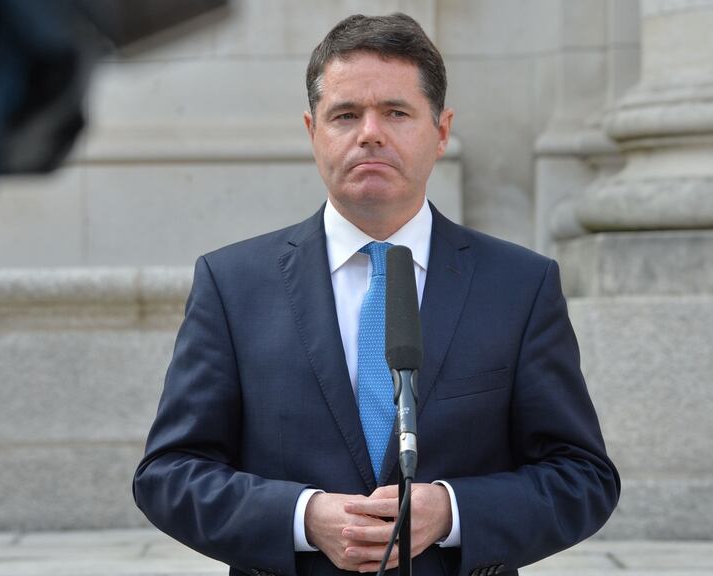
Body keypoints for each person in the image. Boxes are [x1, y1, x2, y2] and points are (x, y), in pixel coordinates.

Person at [133, 13, 619, 576]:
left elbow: (582, 477)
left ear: (440, 131)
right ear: (312, 132)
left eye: (395, 112)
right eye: (345, 114)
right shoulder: (233, 283)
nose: (370, 132)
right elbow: (168, 473)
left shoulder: (520, 286)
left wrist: (454, 511)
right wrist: (302, 517)